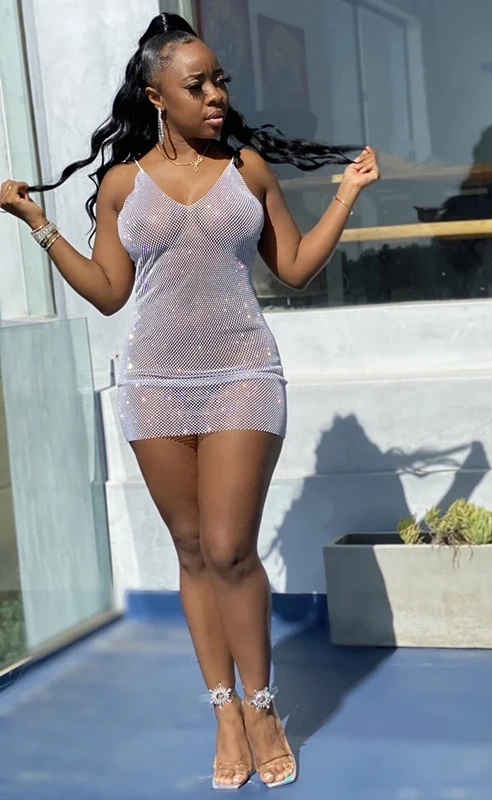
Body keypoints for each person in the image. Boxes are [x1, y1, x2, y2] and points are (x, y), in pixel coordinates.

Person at [0, 12, 379, 791]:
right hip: (154, 383)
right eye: (196, 84)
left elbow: (294, 267)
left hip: (242, 373)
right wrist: (37, 222)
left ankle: (262, 705)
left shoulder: (247, 168)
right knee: (193, 552)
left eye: (219, 82)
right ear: (157, 96)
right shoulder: (121, 185)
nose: (215, 96)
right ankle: (224, 711)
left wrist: (345, 196)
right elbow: (108, 293)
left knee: (231, 548)